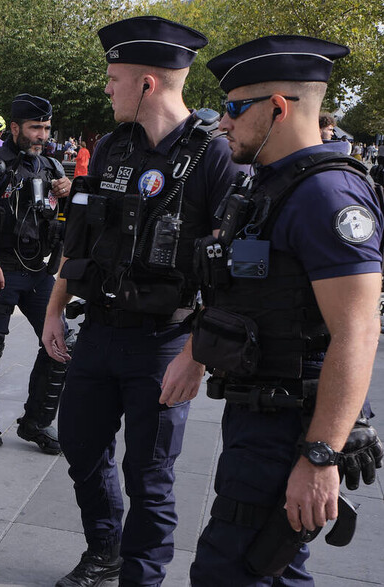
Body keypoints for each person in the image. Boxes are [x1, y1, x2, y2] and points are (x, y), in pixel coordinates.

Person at [41, 16, 246, 587]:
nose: (107, 88)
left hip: (165, 341)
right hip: (100, 331)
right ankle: (104, 549)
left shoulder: (215, 157)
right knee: (81, 444)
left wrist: (198, 354)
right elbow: (78, 238)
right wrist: (56, 308)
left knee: (149, 473)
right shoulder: (110, 147)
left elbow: (231, 273)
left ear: (147, 83)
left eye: (114, 78)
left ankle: (142, 575)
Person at [187, 35, 383, 586]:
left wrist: (321, 456)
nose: (222, 123)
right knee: (272, 570)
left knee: (230, 571)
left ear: (279, 106)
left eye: (233, 108)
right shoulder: (269, 186)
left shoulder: (327, 197)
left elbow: (359, 332)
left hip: (289, 428)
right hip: (258, 416)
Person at [0, 93, 72, 452]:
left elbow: (68, 223)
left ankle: (36, 422)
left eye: (47, 128)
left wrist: (69, 196)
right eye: (36, 127)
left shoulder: (52, 167)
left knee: (60, 344)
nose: (42, 135)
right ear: (16, 127)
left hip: (38, 273)